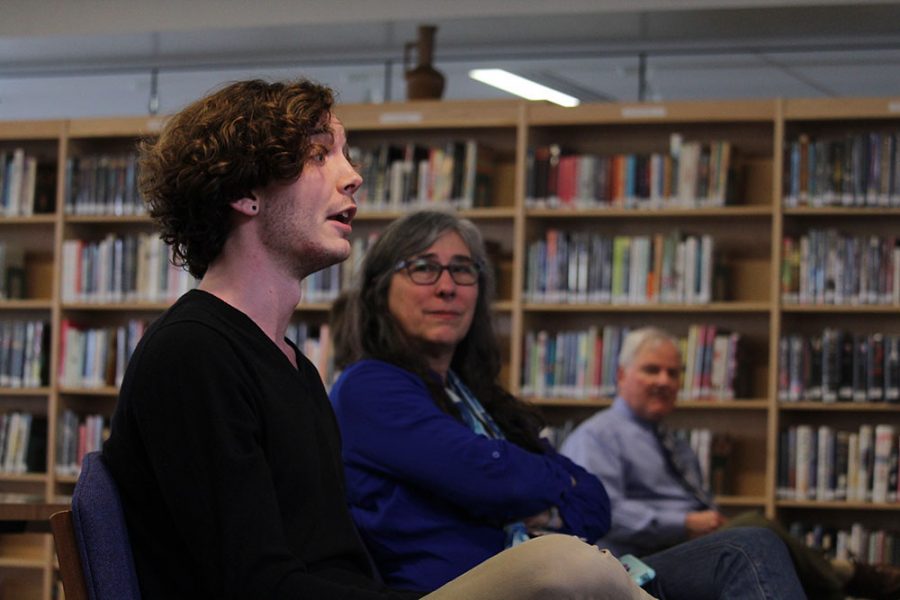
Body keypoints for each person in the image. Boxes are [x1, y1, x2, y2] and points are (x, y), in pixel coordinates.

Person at [101, 78, 651, 600]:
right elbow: (254, 583)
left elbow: (335, 563)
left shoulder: (291, 366)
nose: (353, 176)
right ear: (246, 192)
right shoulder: (193, 354)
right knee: (563, 566)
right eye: (320, 155)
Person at [329, 209, 807, 600]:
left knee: (747, 547)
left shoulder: (478, 398)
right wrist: (547, 486)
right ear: (380, 289)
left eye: (463, 268)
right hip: (465, 585)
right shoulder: (369, 386)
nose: (447, 286)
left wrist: (520, 488)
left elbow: (595, 504)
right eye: (423, 267)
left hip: (563, 574)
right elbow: (490, 479)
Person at [561, 326, 900, 600]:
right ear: (621, 375)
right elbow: (600, 513)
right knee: (755, 530)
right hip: (636, 563)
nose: (664, 381)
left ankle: (843, 582)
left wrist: (704, 523)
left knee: (755, 535)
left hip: (685, 548)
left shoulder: (674, 442)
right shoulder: (596, 436)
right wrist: (682, 522)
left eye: (673, 373)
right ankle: (847, 577)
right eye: (652, 370)